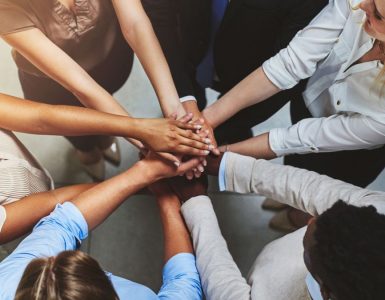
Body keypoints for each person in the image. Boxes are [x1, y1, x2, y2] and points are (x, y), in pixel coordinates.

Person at [203, 0, 385, 230]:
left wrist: (221, 155)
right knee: (297, 164)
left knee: (319, 198)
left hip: (352, 153)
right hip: (310, 104)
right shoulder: (358, 2)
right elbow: (290, 63)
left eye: (378, 15)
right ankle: (285, 200)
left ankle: (297, 219)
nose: (363, 7)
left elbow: (305, 138)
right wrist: (206, 119)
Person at [0, 0, 215, 179]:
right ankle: (86, 152)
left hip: (111, 61)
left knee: (107, 111)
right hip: (55, 86)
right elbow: (80, 85)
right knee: (77, 131)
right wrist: (144, 140)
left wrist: (175, 113)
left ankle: (105, 139)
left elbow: (136, 24)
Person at [0, 92, 211, 244]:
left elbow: (41, 117)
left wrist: (139, 130)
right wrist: (145, 177)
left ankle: (100, 143)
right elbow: (53, 201)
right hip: (25, 206)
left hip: (23, 168)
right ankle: (89, 152)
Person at [172, 152, 385, 299]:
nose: (310, 218)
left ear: (324, 290)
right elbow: (313, 189)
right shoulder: (378, 208)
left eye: (307, 250)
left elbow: (224, 290)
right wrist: (229, 167)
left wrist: (196, 201)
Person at [0, 151, 203, 300]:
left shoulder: (11, 280)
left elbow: (63, 224)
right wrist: (168, 199)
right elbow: (183, 282)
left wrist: (146, 173)